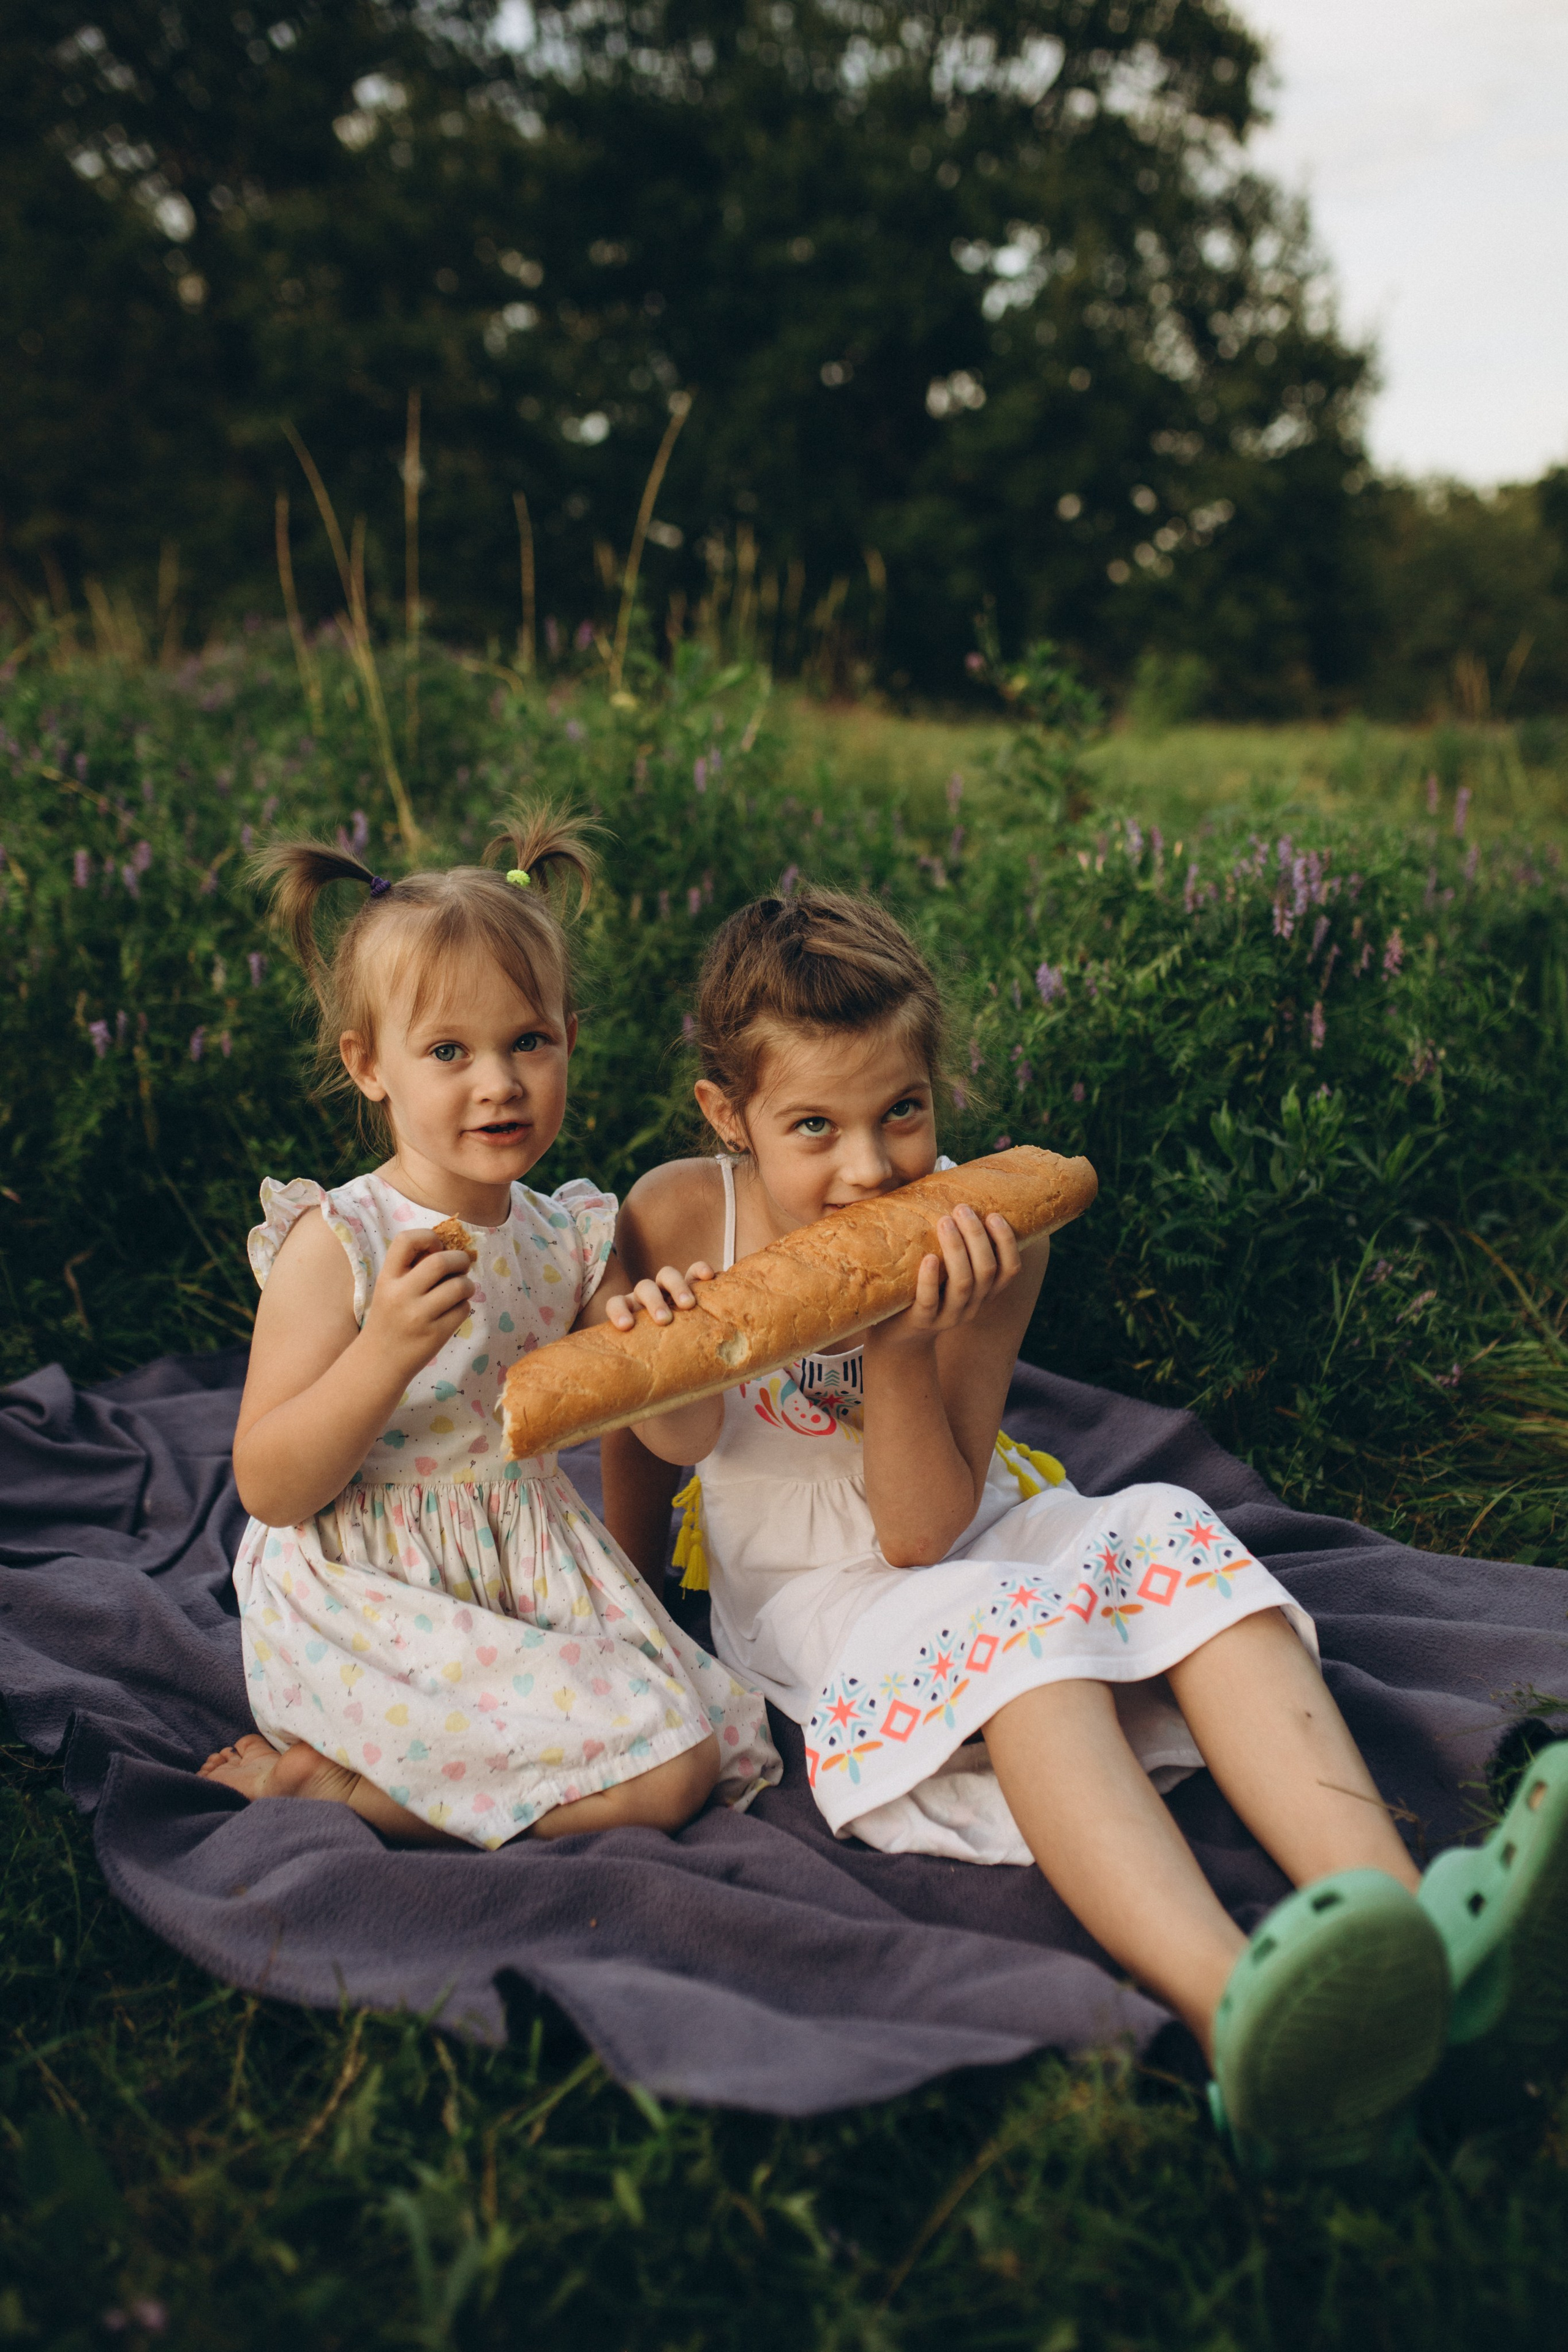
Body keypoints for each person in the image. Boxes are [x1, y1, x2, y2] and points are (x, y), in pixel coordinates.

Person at [600, 885, 1568, 2173]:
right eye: (811, 1126)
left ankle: (1404, 1937)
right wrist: (626, 1592)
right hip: (825, 1594)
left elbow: (937, 1512)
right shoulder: (675, 1216)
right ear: (730, 1119)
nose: (870, 1164)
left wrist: (911, 1339)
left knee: (1166, 1525)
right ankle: (1240, 2018)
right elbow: (680, 1462)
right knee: (1018, 1646)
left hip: (957, 1510)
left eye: (902, 1111)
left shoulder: (991, 1229)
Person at [198, 809, 778, 1849]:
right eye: (449, 1051)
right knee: (670, 1769)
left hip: (527, 1564)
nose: (498, 1082)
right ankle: (342, 1796)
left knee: (706, 1746)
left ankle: (412, 1779)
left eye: (528, 1042)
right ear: (371, 1066)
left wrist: (669, 1351)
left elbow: (681, 1443)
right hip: (371, 1600)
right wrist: (381, 1352)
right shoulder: (338, 1242)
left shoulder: (569, 1241)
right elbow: (271, 1486)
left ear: (569, 1044)